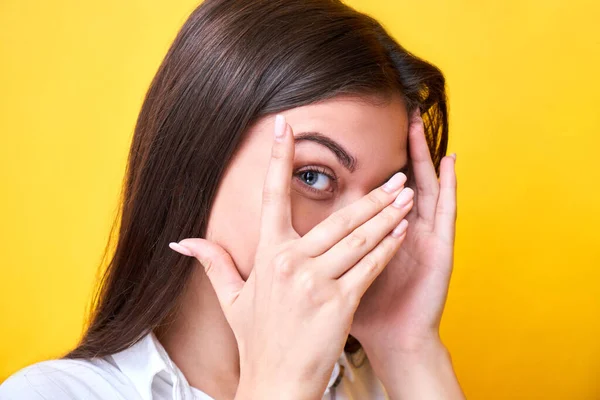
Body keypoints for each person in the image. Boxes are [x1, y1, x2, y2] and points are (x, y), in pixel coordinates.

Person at [0, 0, 465, 399]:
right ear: (194, 160)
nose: (364, 232)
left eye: (387, 195)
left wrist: (409, 348)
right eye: (313, 176)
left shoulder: (385, 385)